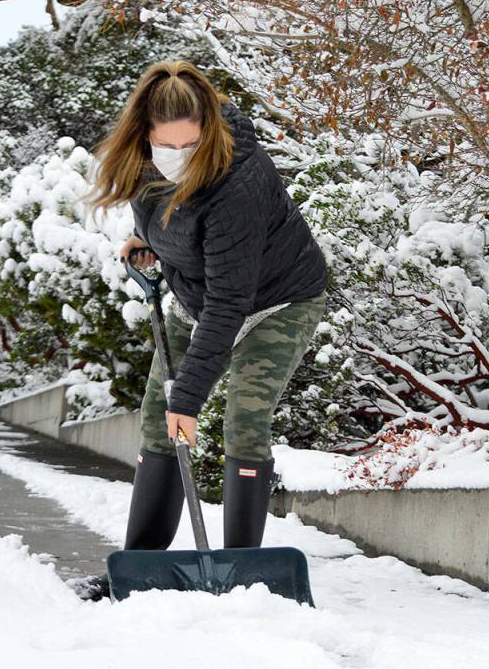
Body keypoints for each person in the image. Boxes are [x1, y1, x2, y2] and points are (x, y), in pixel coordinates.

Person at [71, 60, 329, 601]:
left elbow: (231, 300)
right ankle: (137, 569)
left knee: (243, 420)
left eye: (190, 146)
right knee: (155, 423)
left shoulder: (238, 180)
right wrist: (151, 246)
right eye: (168, 146)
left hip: (276, 301)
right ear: (145, 134)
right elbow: (175, 226)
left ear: (208, 129)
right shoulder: (141, 163)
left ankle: (242, 577)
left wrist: (187, 398)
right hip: (198, 298)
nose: (179, 158)